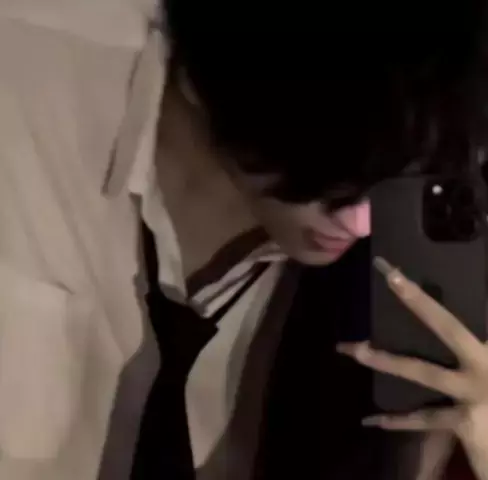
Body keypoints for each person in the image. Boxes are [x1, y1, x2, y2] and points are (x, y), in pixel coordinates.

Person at [0, 0, 486, 479]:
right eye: (329, 174)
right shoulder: (24, 85)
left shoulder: (384, 272)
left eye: (385, 180)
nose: (361, 224)